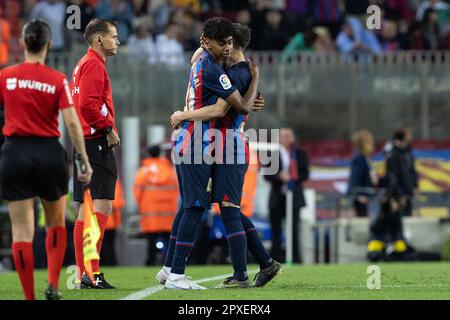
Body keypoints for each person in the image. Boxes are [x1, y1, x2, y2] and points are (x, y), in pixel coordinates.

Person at [167, 23, 282, 288]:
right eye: (221, 43)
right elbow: (199, 58)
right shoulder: (229, 70)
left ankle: (240, 276)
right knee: (226, 208)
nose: (225, 50)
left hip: (228, 144)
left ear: (234, 45)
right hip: (219, 145)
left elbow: (222, 108)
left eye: (228, 44)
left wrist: (255, 82)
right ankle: (265, 262)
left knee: (228, 209)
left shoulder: (241, 73)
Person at [0, 19, 92, 300]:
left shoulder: (6, 76)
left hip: (14, 152)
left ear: (23, 43)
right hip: (48, 154)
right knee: (54, 223)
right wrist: (83, 159)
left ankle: (29, 297)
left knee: (21, 232)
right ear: (48, 45)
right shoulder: (56, 79)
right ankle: (52, 283)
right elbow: (73, 123)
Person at [70, 18, 121, 289]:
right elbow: (88, 104)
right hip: (95, 141)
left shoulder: (82, 64)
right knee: (99, 207)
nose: (117, 42)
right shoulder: (93, 64)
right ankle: (91, 272)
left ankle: (84, 274)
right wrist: (108, 128)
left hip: (82, 143)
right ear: (99, 39)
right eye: (114, 36)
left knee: (85, 210)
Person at [367, 129, 414, 261]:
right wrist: (397, 197)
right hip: (391, 197)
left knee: (386, 227)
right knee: (389, 226)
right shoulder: (395, 155)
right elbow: (393, 178)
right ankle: (392, 252)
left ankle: (387, 251)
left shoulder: (391, 154)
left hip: (389, 196)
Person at [265, 128, 309, 263]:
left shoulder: (300, 153)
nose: (284, 138)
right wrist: (279, 176)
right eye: (282, 135)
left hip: (294, 197)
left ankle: (295, 259)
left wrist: (292, 178)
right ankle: (273, 262)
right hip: (277, 198)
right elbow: (267, 174)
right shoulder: (272, 153)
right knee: (276, 231)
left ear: (292, 138)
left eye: (287, 135)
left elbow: (305, 174)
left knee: (294, 230)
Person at [133, 145, 179, 265]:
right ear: (160, 154)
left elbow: (137, 192)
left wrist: (142, 207)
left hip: (150, 213)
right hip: (168, 213)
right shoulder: (170, 170)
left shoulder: (143, 171)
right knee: (169, 240)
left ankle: (150, 261)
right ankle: (170, 262)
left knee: (151, 240)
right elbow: (177, 190)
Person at [348, 129, 376, 217]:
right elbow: (354, 178)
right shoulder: (359, 159)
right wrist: (358, 195)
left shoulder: (365, 158)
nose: (372, 145)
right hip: (361, 197)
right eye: (370, 143)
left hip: (366, 196)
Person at [101, 178, 125, 266]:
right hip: (111, 221)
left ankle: (104, 265)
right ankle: (111, 264)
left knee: (102, 248)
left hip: (98, 221)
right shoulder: (114, 181)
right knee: (109, 247)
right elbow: (118, 203)